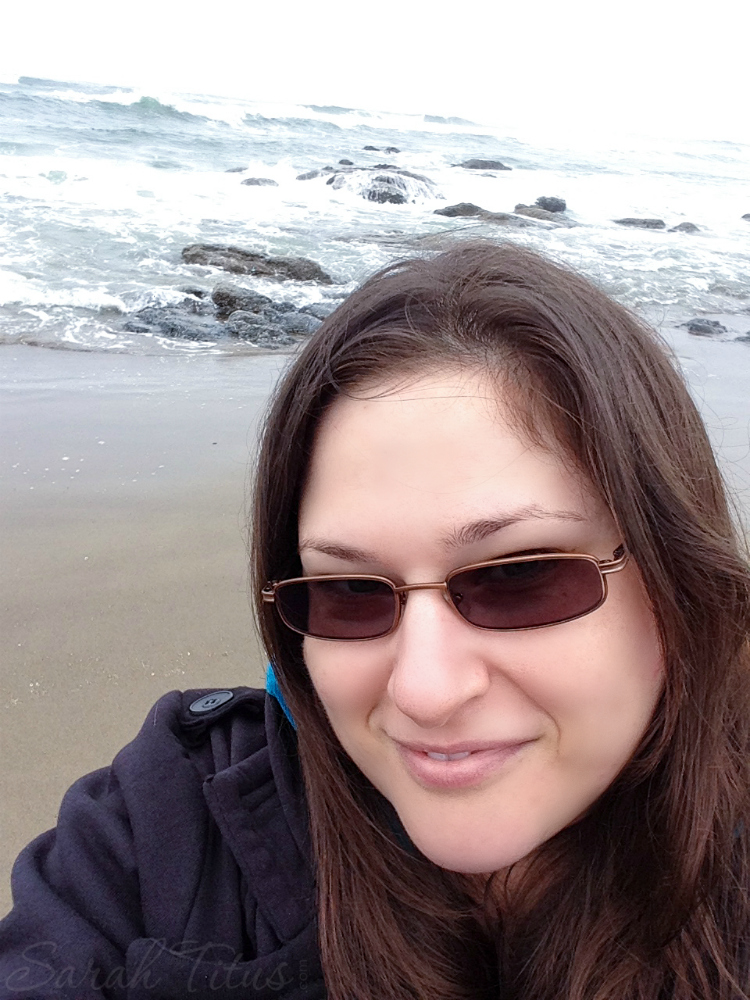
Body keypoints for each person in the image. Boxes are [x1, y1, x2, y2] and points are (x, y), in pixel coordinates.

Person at [1, 242, 749, 1000]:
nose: (426, 691)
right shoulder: (165, 821)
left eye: (519, 579)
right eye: (349, 593)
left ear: (676, 579)